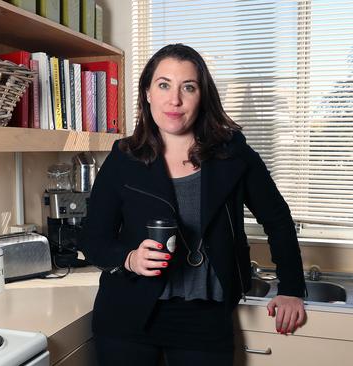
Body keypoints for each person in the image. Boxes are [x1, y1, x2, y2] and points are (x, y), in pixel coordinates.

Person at [77, 43, 307, 366]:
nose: (175, 100)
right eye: (163, 85)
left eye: (188, 87)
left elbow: (278, 220)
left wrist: (292, 288)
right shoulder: (123, 158)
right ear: (147, 93)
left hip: (205, 319)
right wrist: (129, 258)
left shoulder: (234, 154)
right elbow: (93, 240)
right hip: (127, 314)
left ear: (202, 96)